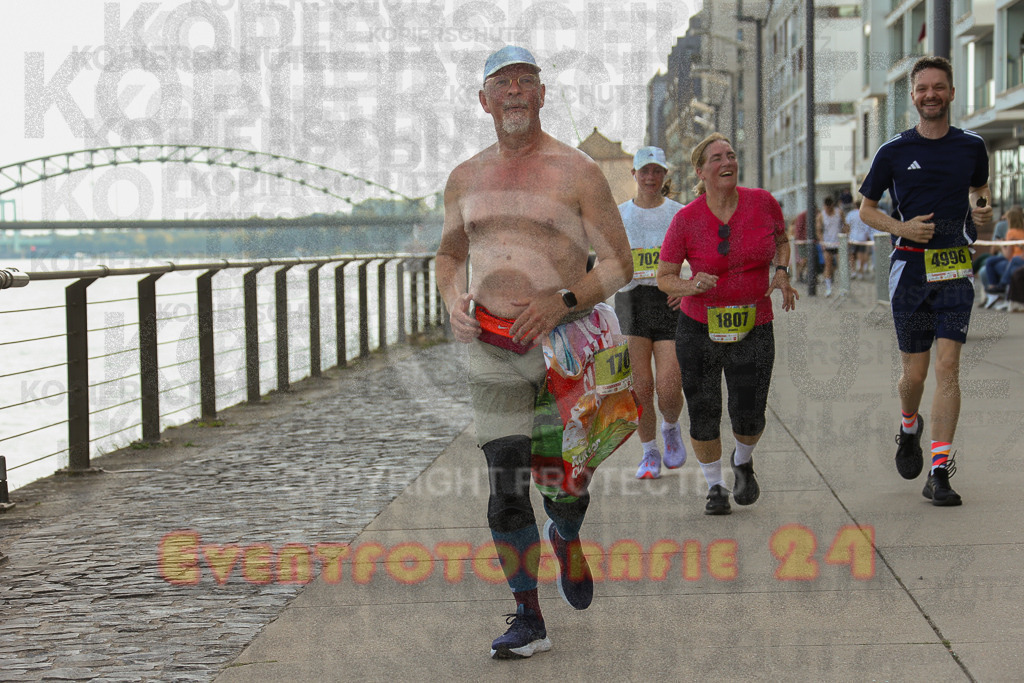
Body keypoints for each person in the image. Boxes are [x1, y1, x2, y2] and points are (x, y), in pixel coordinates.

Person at [435, 45, 633, 659]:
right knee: (506, 483)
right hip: (493, 350)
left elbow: (620, 264)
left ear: (543, 95)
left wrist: (565, 298)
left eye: (526, 82)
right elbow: (448, 255)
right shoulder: (465, 176)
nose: (515, 92)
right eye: (503, 84)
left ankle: (567, 531)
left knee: (562, 480)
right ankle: (527, 614)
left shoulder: (577, 172)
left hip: (564, 349)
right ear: (484, 100)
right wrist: (452, 299)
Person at [859, 55, 993, 506]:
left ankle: (939, 471)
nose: (931, 95)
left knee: (948, 367)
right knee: (913, 375)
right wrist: (901, 228)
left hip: (954, 267)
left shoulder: (972, 146)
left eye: (939, 87)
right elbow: (867, 210)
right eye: (923, 89)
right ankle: (908, 424)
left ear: (952, 93)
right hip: (911, 271)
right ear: (913, 97)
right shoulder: (893, 151)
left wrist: (981, 208)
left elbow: (979, 188)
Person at [656, 132, 799, 515]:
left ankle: (743, 459)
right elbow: (664, 277)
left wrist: (782, 272)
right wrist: (689, 285)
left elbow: (782, 241)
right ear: (700, 171)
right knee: (703, 410)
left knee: (750, 413)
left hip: (754, 324)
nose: (726, 162)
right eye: (716, 158)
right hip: (699, 326)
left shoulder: (763, 203)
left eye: (731, 155)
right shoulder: (686, 219)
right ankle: (715, 486)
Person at [614, 146, 688, 480]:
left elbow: (696, 256)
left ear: (664, 175)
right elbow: (606, 259)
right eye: (644, 171)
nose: (650, 178)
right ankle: (649, 452)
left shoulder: (679, 213)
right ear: (634, 175)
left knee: (669, 385)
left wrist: (684, 287)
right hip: (631, 302)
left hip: (668, 301)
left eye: (657, 171)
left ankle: (670, 428)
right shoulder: (619, 215)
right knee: (640, 387)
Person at [981, 207, 1024, 309]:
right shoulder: (1021, 231)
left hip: (1015, 259)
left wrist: (1001, 245)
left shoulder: (1011, 232)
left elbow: (1008, 255)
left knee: (989, 261)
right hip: (1017, 259)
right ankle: (995, 290)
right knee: (989, 260)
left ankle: (998, 288)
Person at [817, 195, 847, 296]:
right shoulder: (821, 215)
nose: (828, 210)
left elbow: (845, 225)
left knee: (841, 265)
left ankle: (843, 288)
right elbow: (819, 230)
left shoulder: (839, 212)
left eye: (829, 208)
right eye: (826, 208)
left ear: (832, 206)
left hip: (838, 243)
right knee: (828, 265)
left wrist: (845, 236)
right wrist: (822, 242)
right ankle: (828, 288)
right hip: (828, 244)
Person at [846, 199, 874, 279]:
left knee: (852, 255)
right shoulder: (864, 214)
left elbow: (847, 225)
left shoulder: (850, 214)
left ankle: (853, 271)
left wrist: (847, 234)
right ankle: (861, 272)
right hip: (863, 237)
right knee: (861, 255)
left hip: (853, 237)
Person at [791, 209, 810, 283]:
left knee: (807, 260)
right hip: (802, 241)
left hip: (806, 241)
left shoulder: (808, 216)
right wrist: (799, 238)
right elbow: (798, 229)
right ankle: (799, 274)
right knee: (804, 259)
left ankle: (805, 275)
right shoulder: (802, 216)